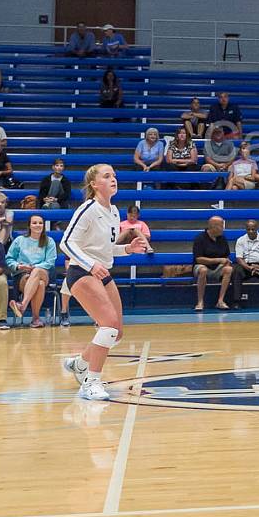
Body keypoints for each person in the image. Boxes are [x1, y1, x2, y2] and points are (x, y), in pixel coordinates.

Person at [59, 164, 151, 401]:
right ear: (94, 184)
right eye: (107, 176)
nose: (114, 179)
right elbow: (66, 243)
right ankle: (90, 382)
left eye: (115, 176)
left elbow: (107, 251)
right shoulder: (87, 209)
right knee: (108, 325)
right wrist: (90, 265)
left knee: (116, 332)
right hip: (81, 272)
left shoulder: (113, 211)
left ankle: (79, 363)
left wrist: (127, 249)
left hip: (101, 272)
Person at [7, 214, 58, 327]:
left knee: (37, 271)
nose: (38, 225)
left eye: (40, 223)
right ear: (29, 225)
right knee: (39, 284)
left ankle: (23, 305)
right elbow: (9, 259)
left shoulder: (49, 241)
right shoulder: (19, 240)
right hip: (23, 275)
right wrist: (19, 266)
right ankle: (35, 319)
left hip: (44, 273)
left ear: (44, 226)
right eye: (34, 223)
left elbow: (50, 262)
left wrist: (34, 267)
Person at [192, 215, 233, 311]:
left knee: (229, 270)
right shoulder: (200, 238)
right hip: (201, 266)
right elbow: (199, 259)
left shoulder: (222, 239)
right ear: (213, 226)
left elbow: (226, 255)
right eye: (221, 225)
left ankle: (220, 301)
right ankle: (200, 302)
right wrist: (218, 260)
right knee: (203, 270)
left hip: (217, 268)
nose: (223, 228)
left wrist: (226, 262)